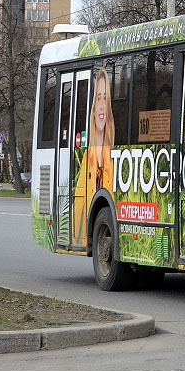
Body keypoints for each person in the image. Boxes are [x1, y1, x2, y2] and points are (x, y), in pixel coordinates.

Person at [73, 67, 115, 242]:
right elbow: (77, 217)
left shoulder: (113, 157)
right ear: (94, 106)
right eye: (99, 98)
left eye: (105, 99)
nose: (102, 105)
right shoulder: (86, 158)